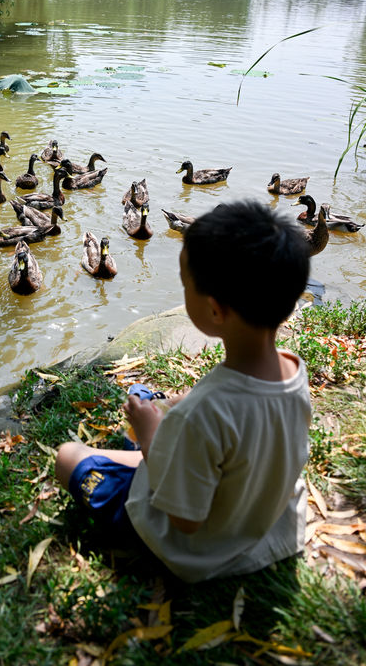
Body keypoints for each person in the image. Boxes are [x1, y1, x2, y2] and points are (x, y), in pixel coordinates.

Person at [55, 199, 312, 582]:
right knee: (148, 400)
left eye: (185, 283)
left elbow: (186, 519)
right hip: (269, 527)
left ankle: (132, 455)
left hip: (205, 547)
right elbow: (241, 422)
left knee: (68, 456)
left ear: (214, 310)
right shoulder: (292, 371)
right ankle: (146, 449)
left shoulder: (205, 414)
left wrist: (148, 434)